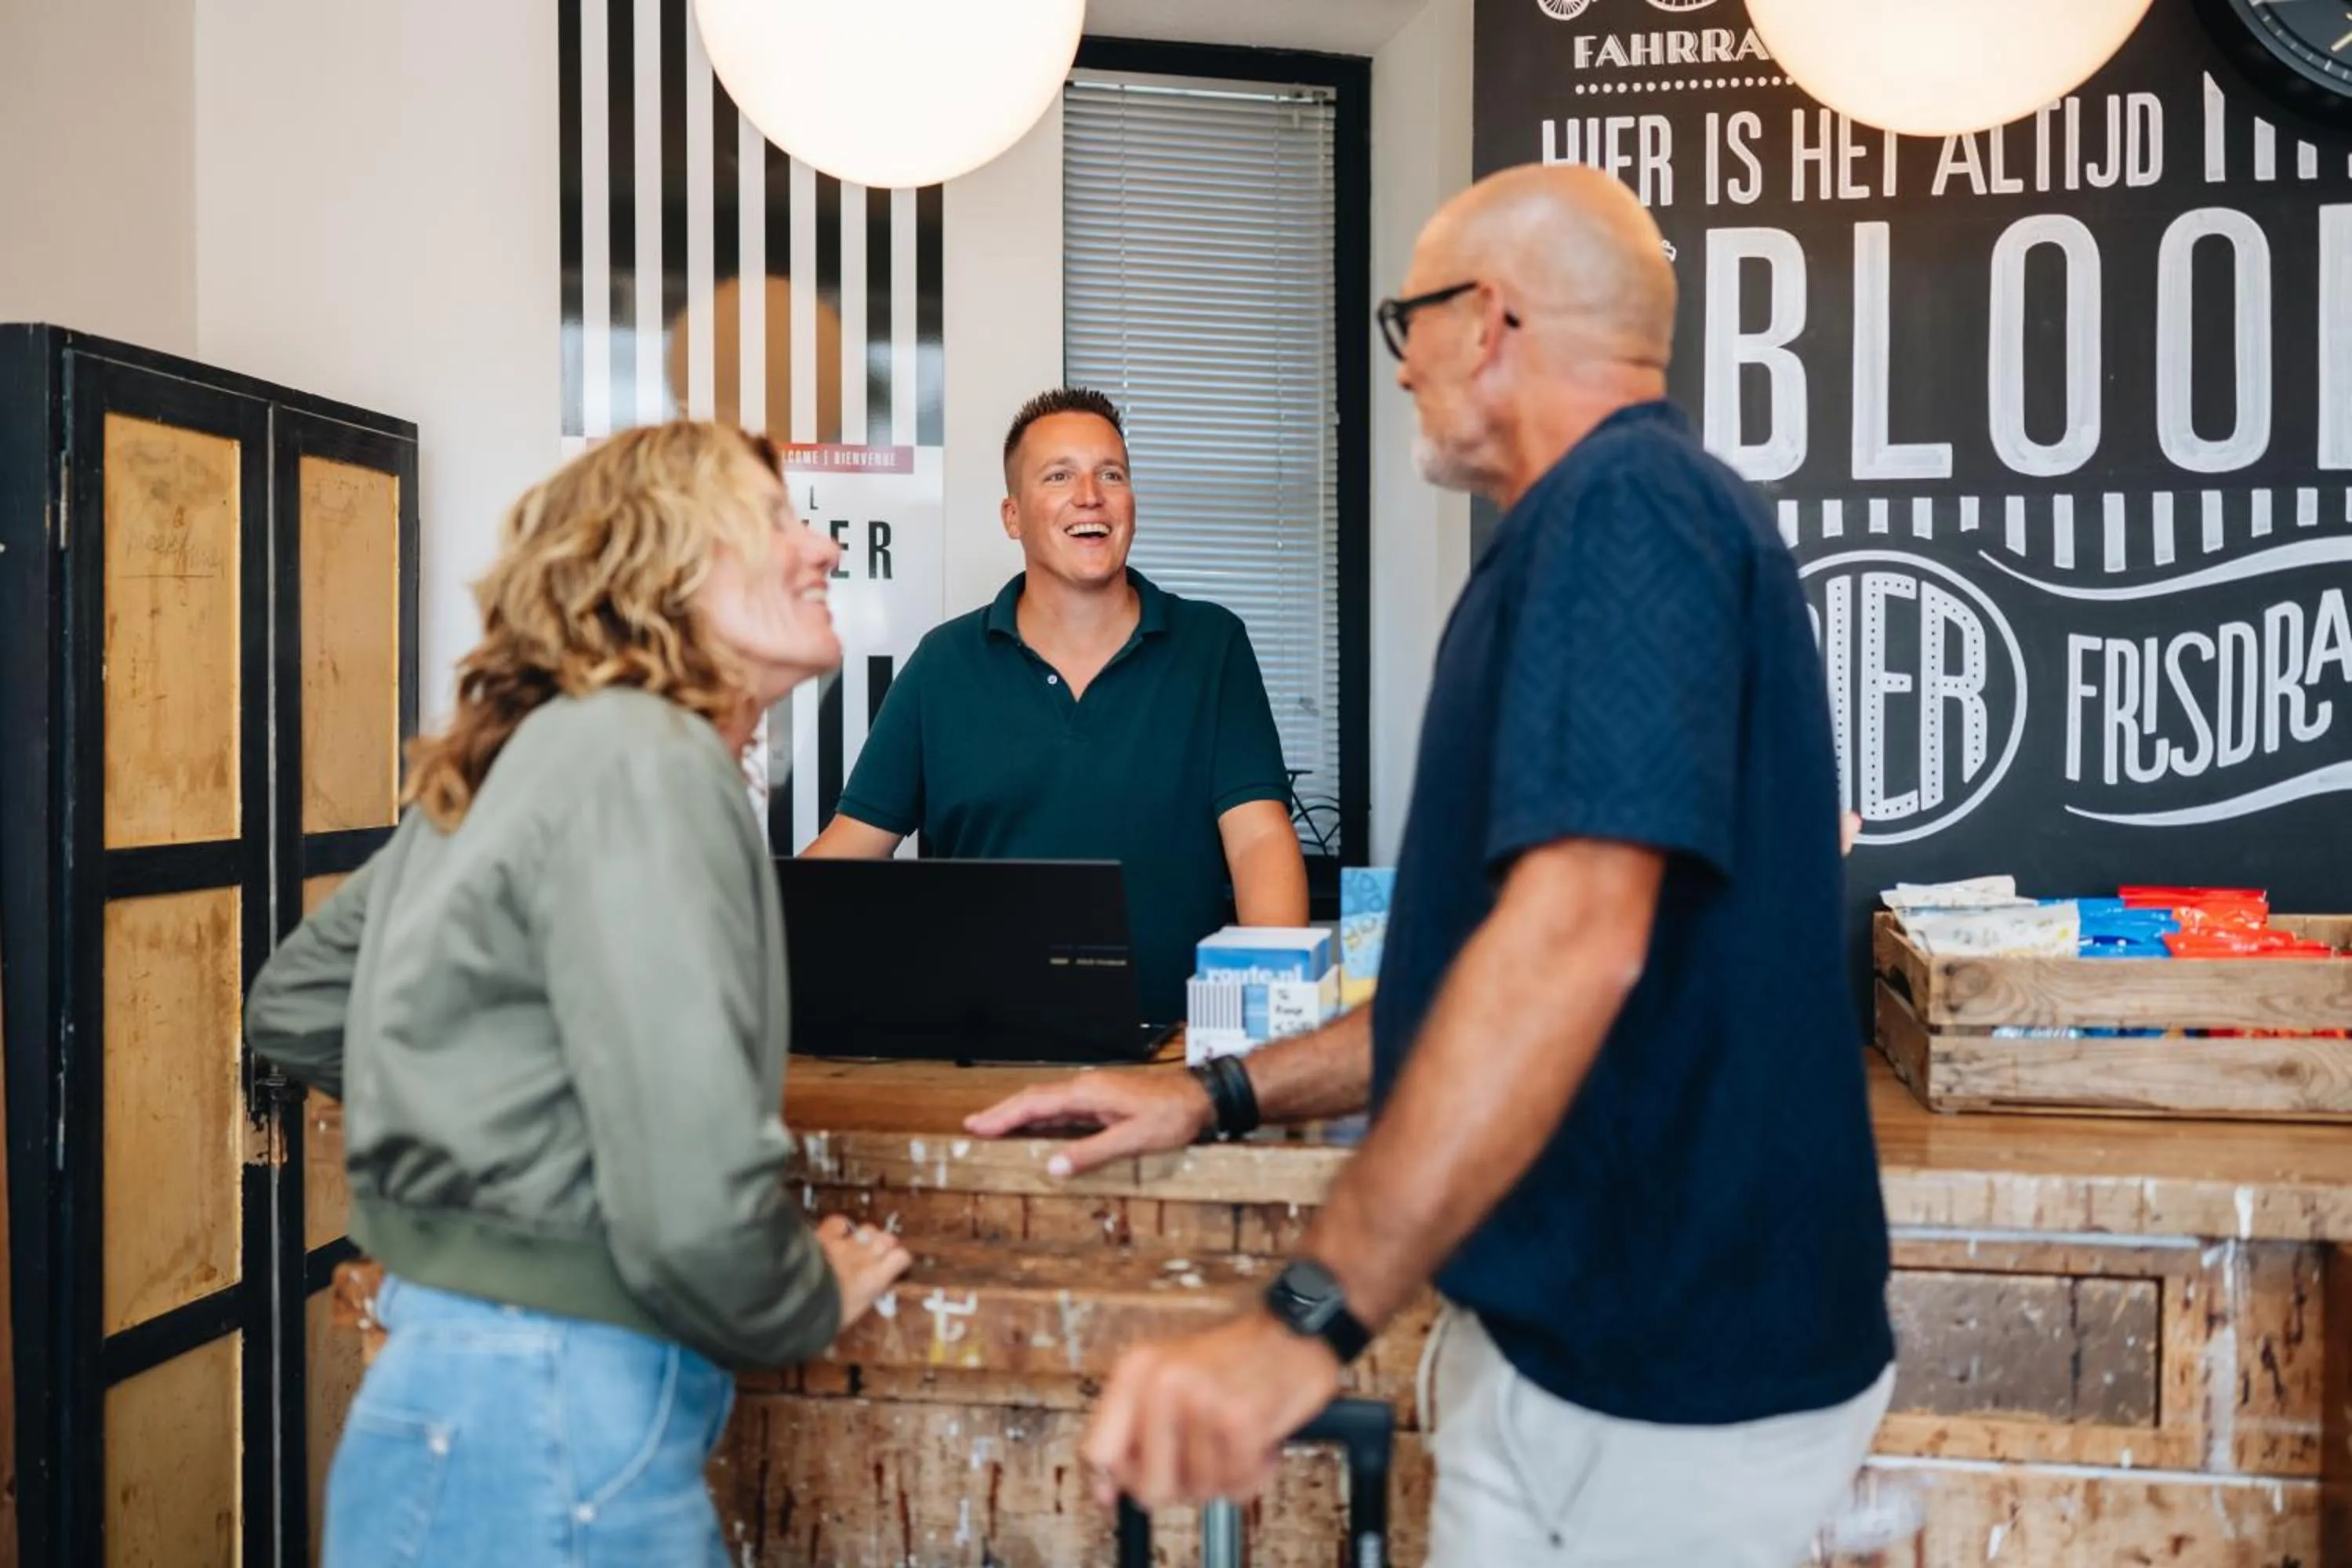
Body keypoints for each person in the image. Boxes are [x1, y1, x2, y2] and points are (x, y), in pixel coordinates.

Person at [966, 165, 1896, 1566]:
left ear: (1491, 321)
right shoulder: (1590, 537)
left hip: (1669, 1384)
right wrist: (1214, 1093)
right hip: (1567, 1351)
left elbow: (1569, 951)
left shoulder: (1625, 513)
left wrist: (1302, 1324)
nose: (1400, 369)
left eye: (1409, 321)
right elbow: (1478, 986)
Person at [245, 423, 914, 1568]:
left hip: (455, 1387)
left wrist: (504, 1122)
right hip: (551, 1413)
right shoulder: (646, 761)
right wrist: (804, 1294)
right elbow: (694, 1207)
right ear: (663, 565)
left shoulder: (537, 757)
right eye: (775, 519)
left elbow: (300, 1003)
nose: (822, 548)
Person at [803, 387, 1308, 1020]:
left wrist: (1268, 1025)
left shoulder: (1212, 645)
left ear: (1131, 502)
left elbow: (1258, 838)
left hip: (1176, 1053)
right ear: (1013, 516)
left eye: (1111, 474)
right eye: (1059, 475)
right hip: (980, 1052)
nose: (1089, 495)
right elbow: (853, 848)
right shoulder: (943, 663)